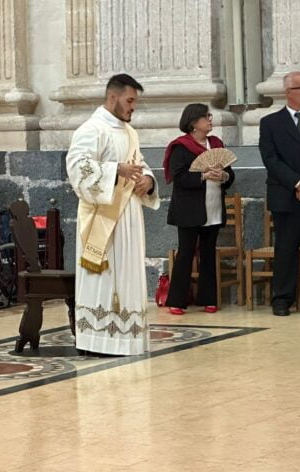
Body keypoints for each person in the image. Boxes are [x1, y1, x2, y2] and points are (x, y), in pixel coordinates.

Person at [65, 74, 159, 356]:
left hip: (128, 215)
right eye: (130, 101)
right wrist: (114, 170)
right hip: (102, 219)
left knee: (128, 275)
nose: (133, 107)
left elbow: (138, 164)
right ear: (112, 97)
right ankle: (97, 340)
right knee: (104, 279)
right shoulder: (91, 129)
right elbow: (77, 168)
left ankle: (127, 339)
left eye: (134, 102)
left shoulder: (130, 133)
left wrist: (148, 181)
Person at [164, 104, 235, 315]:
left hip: (213, 206)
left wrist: (223, 176)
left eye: (210, 116)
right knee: (185, 253)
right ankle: (176, 301)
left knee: (208, 253)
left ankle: (209, 298)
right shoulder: (181, 147)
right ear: (193, 122)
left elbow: (230, 174)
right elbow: (179, 178)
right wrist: (203, 175)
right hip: (189, 209)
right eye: (206, 116)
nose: (210, 120)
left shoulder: (216, 144)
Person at [259, 71, 300, 316]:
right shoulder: (270, 123)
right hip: (286, 195)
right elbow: (270, 159)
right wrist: (297, 183)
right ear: (289, 93)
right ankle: (282, 299)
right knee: (286, 248)